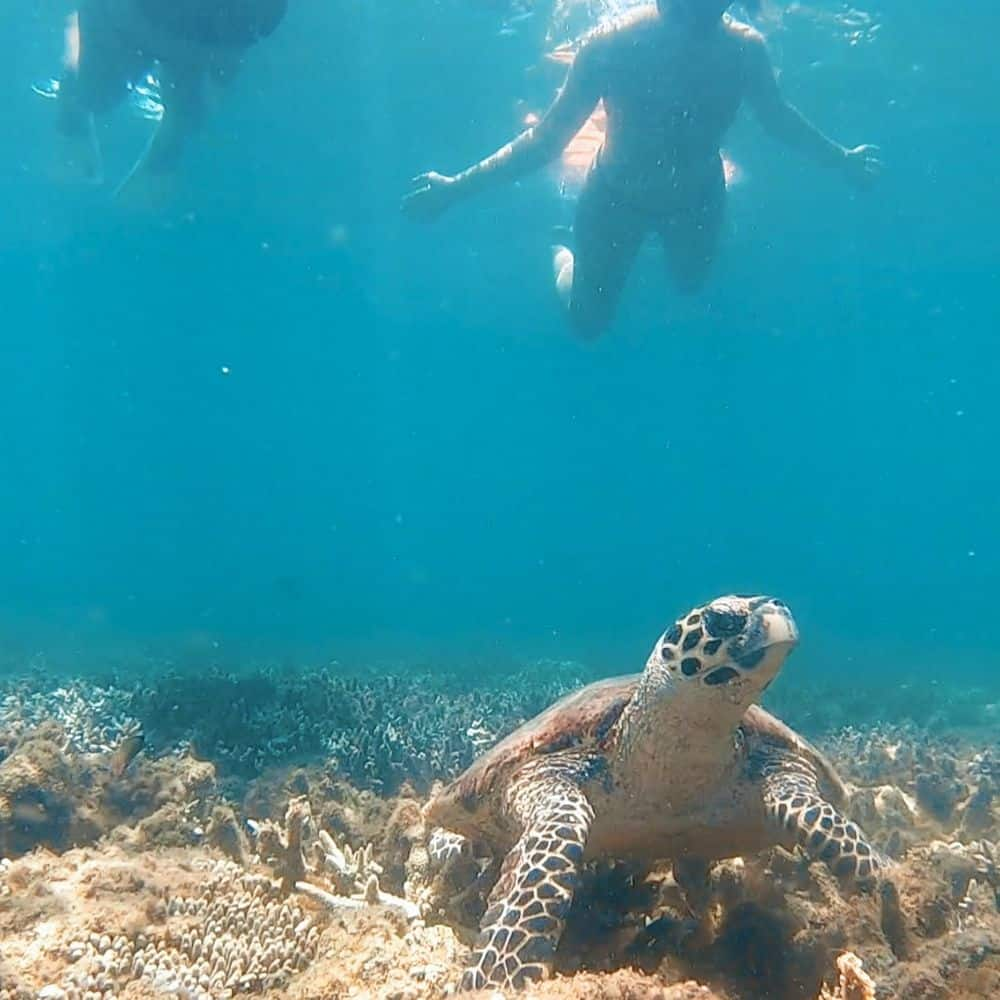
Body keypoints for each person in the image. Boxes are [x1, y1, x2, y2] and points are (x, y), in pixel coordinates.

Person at [403, 0, 881, 339]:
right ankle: (559, 253)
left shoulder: (746, 51)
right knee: (588, 325)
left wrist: (842, 159)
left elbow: (779, 120)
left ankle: (626, 257)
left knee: (690, 284)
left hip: (698, 199)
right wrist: (453, 189)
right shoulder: (611, 44)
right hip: (614, 201)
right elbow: (546, 140)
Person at [55, 0, 287, 206]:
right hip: (165, 23)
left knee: (186, 111)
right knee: (98, 95)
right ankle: (75, 110)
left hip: (204, 31)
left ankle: (160, 156)